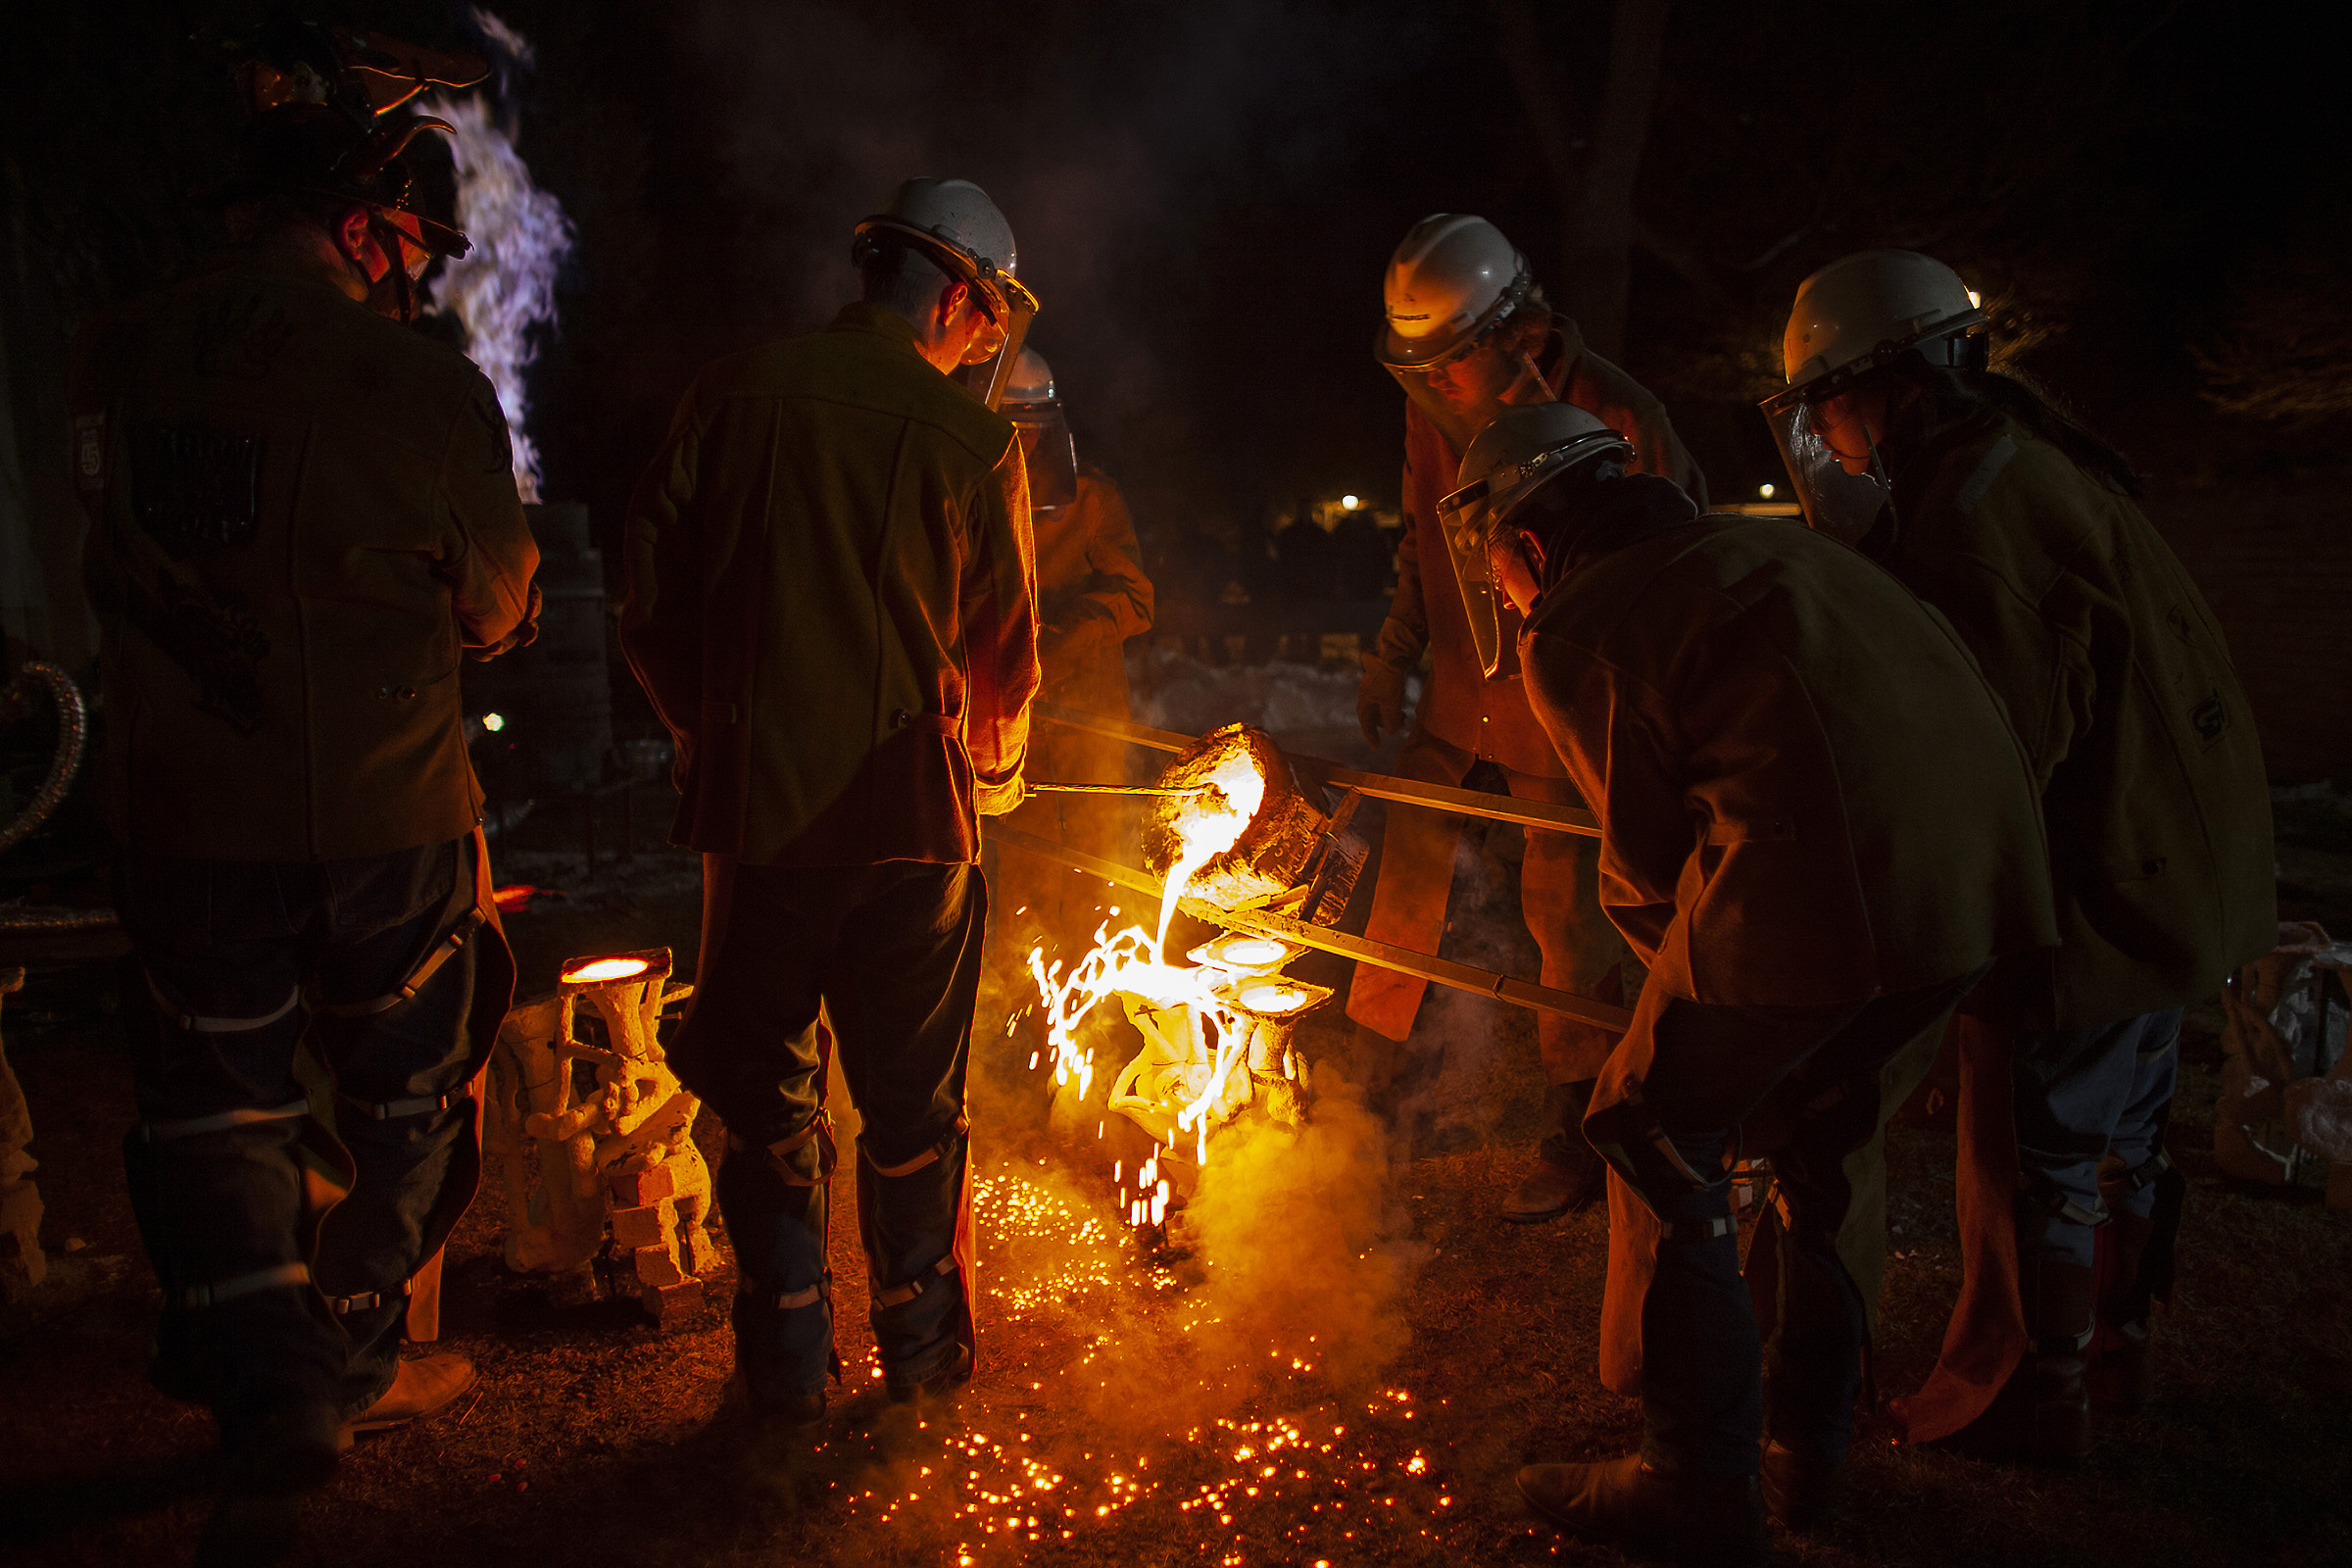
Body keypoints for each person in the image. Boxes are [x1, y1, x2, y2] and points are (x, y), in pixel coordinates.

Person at [1446, 403, 2056, 1562]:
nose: (1508, 593)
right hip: (1980, 885)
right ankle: (1806, 1452)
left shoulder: (1581, 619)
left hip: (1822, 890)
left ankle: (1696, 1477)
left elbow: (1647, 867)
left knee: (1649, 1122)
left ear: (1526, 544)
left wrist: (1697, 1021)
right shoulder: (1760, 547)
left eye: (1499, 570)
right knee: (1826, 1135)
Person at [71, 90, 538, 1559]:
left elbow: (98, 548)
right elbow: (501, 598)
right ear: (359, 228)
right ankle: (348, 1356)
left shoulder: (119, 352)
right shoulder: (409, 383)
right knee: (408, 1096)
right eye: (399, 243)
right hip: (381, 807)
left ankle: (262, 1381)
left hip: (185, 806)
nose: (404, 274)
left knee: (214, 1101)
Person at [1761, 250, 2277, 1460]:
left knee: (2039, 1152)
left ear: (1892, 384)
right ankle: (2113, 1352)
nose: (1825, 437)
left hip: (2100, 881)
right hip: (2173, 865)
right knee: (2125, 1137)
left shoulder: (1976, 514)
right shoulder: (2018, 460)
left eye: (1830, 404)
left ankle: (2032, 1393)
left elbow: (1995, 754)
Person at [620, 176, 1040, 1430]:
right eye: (986, 322)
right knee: (912, 1110)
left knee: (766, 1106)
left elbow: (649, 597)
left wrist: (708, 727)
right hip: (914, 828)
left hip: (756, 825)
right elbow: (1003, 659)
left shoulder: (730, 396)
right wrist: (994, 773)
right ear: (958, 299)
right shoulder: (973, 441)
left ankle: (786, 1370)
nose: (981, 347)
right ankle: (922, 1359)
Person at [1353, 213, 1707, 1218]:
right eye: (1420, 366)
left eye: (1450, 359)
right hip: (1460, 701)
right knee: (1404, 879)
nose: (1434, 380)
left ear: (1518, 330)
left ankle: (1579, 1119)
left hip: (1565, 707)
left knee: (1569, 913)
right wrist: (1393, 654)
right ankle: (1373, 1095)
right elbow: (1422, 543)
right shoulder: (1434, 412)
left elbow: (1681, 556)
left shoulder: (1616, 414)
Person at [991, 348, 1153, 962]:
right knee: (1021, 868)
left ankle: (1099, 989)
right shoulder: (970, 492)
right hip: (1011, 720)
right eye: (1010, 427)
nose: (1024, 442)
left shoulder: (1090, 499)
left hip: (1088, 713)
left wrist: (1062, 639)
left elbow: (1137, 600)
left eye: (1033, 427)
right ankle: (1020, 997)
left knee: (1096, 858)